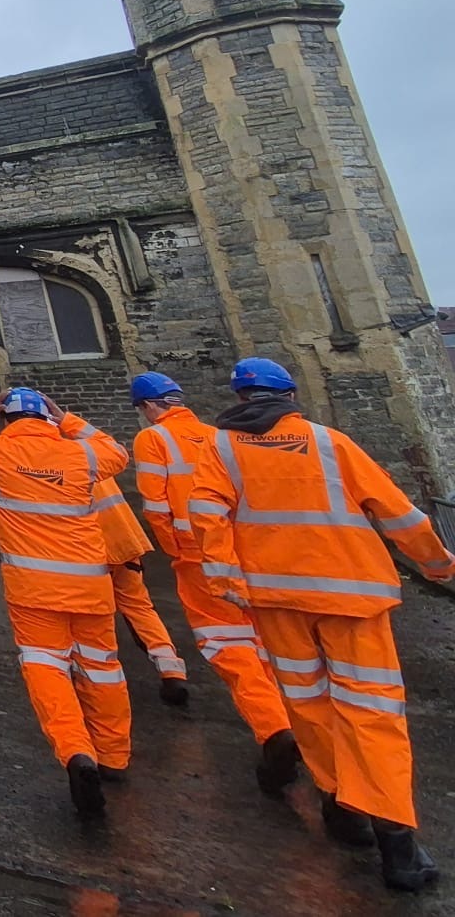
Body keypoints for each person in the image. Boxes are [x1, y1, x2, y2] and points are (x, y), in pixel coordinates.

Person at [190, 357, 455, 893]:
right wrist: (439, 565)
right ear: (290, 396)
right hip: (352, 599)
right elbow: (397, 510)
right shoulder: (330, 442)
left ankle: (340, 807)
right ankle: (397, 843)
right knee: (372, 711)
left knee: (308, 703)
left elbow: (207, 517)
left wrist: (226, 582)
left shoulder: (218, 449)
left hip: (277, 601)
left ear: (240, 399)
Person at [0, 386, 131, 818]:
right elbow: (118, 452)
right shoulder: (83, 455)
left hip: (33, 589)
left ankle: (77, 752)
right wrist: (68, 420)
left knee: (47, 668)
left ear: (5, 419)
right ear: (46, 418)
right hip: (90, 586)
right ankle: (115, 757)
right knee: (102, 668)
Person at [128, 371, 299, 794]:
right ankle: (299, 725)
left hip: (197, 556)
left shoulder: (152, 439)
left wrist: (176, 550)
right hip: (243, 552)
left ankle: (274, 728)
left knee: (228, 645)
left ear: (148, 406)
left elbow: (156, 506)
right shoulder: (215, 435)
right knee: (263, 643)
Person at [92, 470, 191, 706]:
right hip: (125, 540)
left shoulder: (43, 468)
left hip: (90, 550)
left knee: (91, 616)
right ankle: (171, 669)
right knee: (139, 607)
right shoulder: (92, 458)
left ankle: (96, 681)